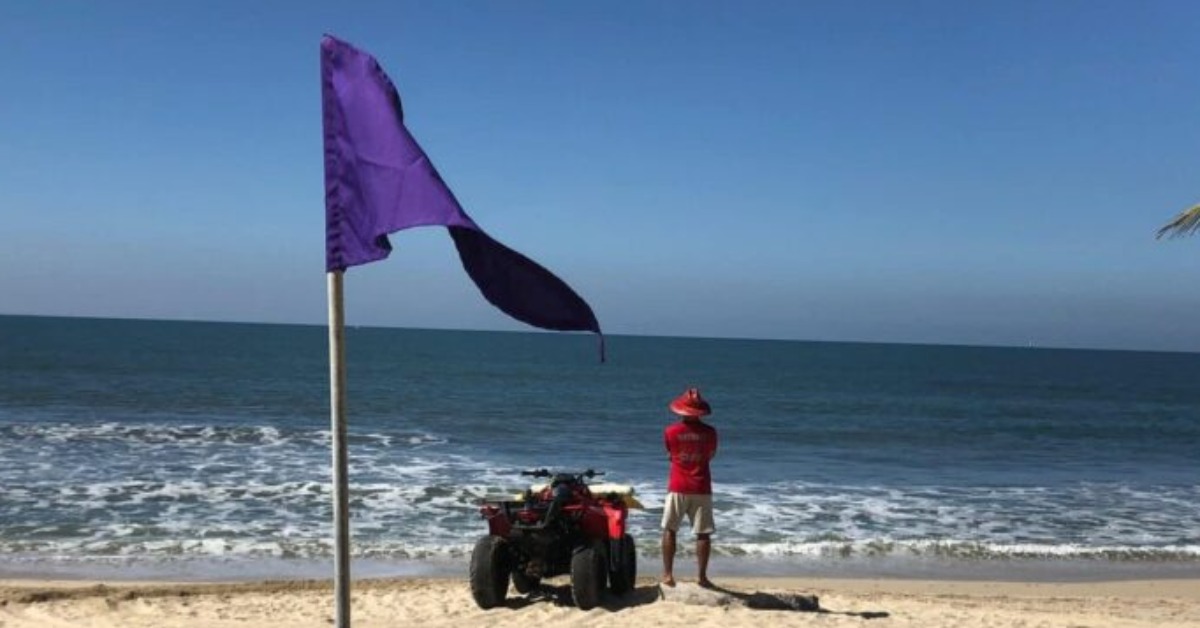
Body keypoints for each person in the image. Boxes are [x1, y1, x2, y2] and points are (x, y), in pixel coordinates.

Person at [660, 387, 718, 588]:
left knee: (670, 529)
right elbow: (711, 455)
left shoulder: (670, 431)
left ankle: (668, 575)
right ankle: (702, 577)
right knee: (703, 533)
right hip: (701, 485)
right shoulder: (710, 432)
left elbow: (670, 454)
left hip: (677, 485)